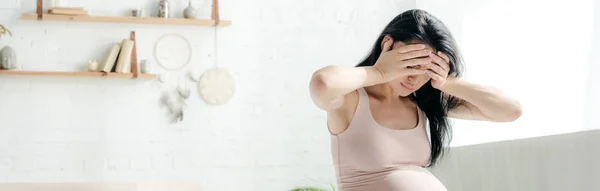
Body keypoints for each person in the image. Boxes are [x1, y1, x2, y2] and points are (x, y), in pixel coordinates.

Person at [308, 9, 522, 191]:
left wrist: (447, 83)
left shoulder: (420, 103)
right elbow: (322, 84)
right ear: (387, 45)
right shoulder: (351, 100)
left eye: (427, 70)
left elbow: (510, 111)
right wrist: (380, 72)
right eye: (410, 64)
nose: (414, 78)